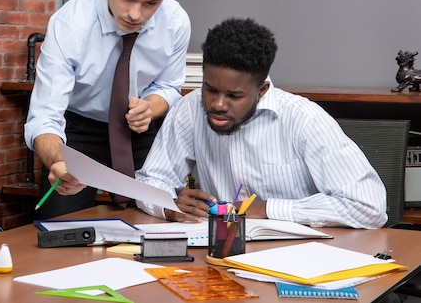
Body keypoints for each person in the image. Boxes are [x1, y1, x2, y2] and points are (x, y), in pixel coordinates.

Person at [135, 17, 387, 229]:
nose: (218, 104)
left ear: (263, 90)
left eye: (234, 96)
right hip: (220, 255)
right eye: (210, 89)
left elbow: (368, 207)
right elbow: (150, 180)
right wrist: (169, 205)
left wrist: (268, 208)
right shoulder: (189, 109)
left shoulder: (305, 120)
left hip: (297, 262)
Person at [24, 0, 191, 219]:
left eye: (151, 3)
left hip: (140, 132)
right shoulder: (69, 24)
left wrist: (149, 108)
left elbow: (168, 86)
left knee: (161, 226)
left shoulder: (176, 22)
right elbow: (45, 118)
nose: (135, 14)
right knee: (59, 228)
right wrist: (58, 162)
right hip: (78, 133)